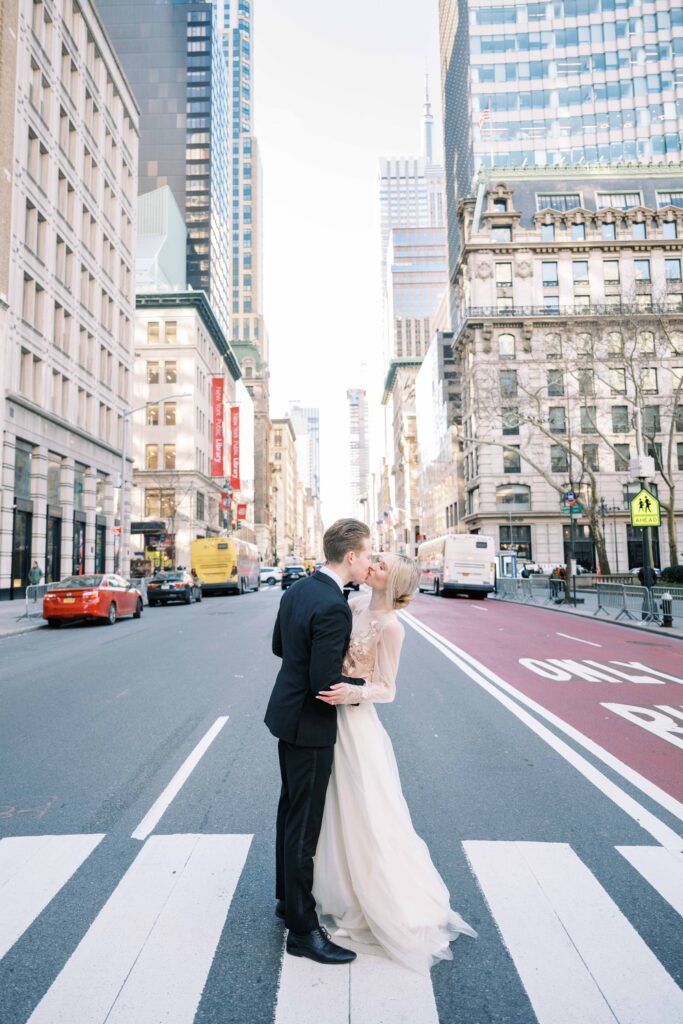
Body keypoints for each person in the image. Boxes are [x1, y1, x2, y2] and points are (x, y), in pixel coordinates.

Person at [312, 553, 477, 974]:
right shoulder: (351, 605)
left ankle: (381, 899)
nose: (372, 565)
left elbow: (387, 688)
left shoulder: (392, 626)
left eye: (380, 566)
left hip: (355, 720)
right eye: (374, 560)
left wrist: (349, 694)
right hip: (327, 717)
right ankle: (340, 889)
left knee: (367, 808)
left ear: (393, 581)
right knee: (335, 806)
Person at [265, 518, 373, 965]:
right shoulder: (333, 605)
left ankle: (287, 900)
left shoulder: (297, 590)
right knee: (304, 823)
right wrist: (363, 684)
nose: (369, 561)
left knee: (290, 810)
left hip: (285, 715)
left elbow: (278, 647)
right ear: (350, 556)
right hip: (310, 724)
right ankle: (303, 932)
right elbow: (324, 682)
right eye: (367, 553)